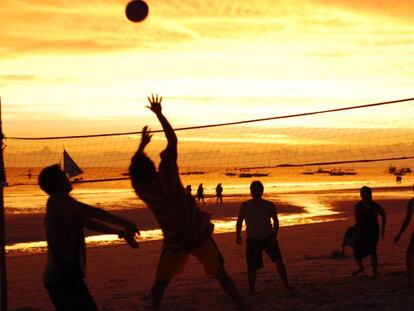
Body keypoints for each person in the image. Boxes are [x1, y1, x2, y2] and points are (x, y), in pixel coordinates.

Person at [129, 94, 246, 310]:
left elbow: (134, 170)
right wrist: (159, 115)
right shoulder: (167, 175)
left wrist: (140, 147)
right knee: (221, 273)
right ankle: (241, 305)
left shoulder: (143, 190)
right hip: (197, 233)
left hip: (175, 241)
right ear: (153, 167)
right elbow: (172, 141)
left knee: (160, 285)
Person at [38, 164, 139, 311]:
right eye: (64, 176)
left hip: (65, 275)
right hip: (61, 277)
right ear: (58, 182)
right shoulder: (58, 199)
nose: (68, 178)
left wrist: (121, 233)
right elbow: (92, 212)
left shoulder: (61, 203)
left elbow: (90, 223)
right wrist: (125, 223)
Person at [236, 180, 289, 296]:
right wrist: (237, 234)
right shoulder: (245, 205)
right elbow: (239, 221)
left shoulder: (269, 205)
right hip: (252, 240)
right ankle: (251, 290)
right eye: (252, 190)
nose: (254, 192)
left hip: (268, 238)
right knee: (251, 268)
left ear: (261, 191)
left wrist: (274, 237)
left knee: (279, 261)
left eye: (256, 190)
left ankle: (286, 284)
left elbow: (276, 222)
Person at [352, 186, 386, 277]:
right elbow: (357, 219)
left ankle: (374, 272)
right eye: (362, 193)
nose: (363, 195)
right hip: (362, 232)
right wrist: (355, 231)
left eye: (366, 193)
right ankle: (361, 268)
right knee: (356, 251)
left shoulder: (374, 205)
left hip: (373, 231)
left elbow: (383, 214)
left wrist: (383, 230)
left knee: (372, 250)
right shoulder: (358, 206)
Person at [393, 183, 414, 287]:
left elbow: (407, 220)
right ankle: (410, 281)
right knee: (409, 254)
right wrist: (399, 234)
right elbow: (407, 220)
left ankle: (410, 281)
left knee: (409, 254)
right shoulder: (411, 202)